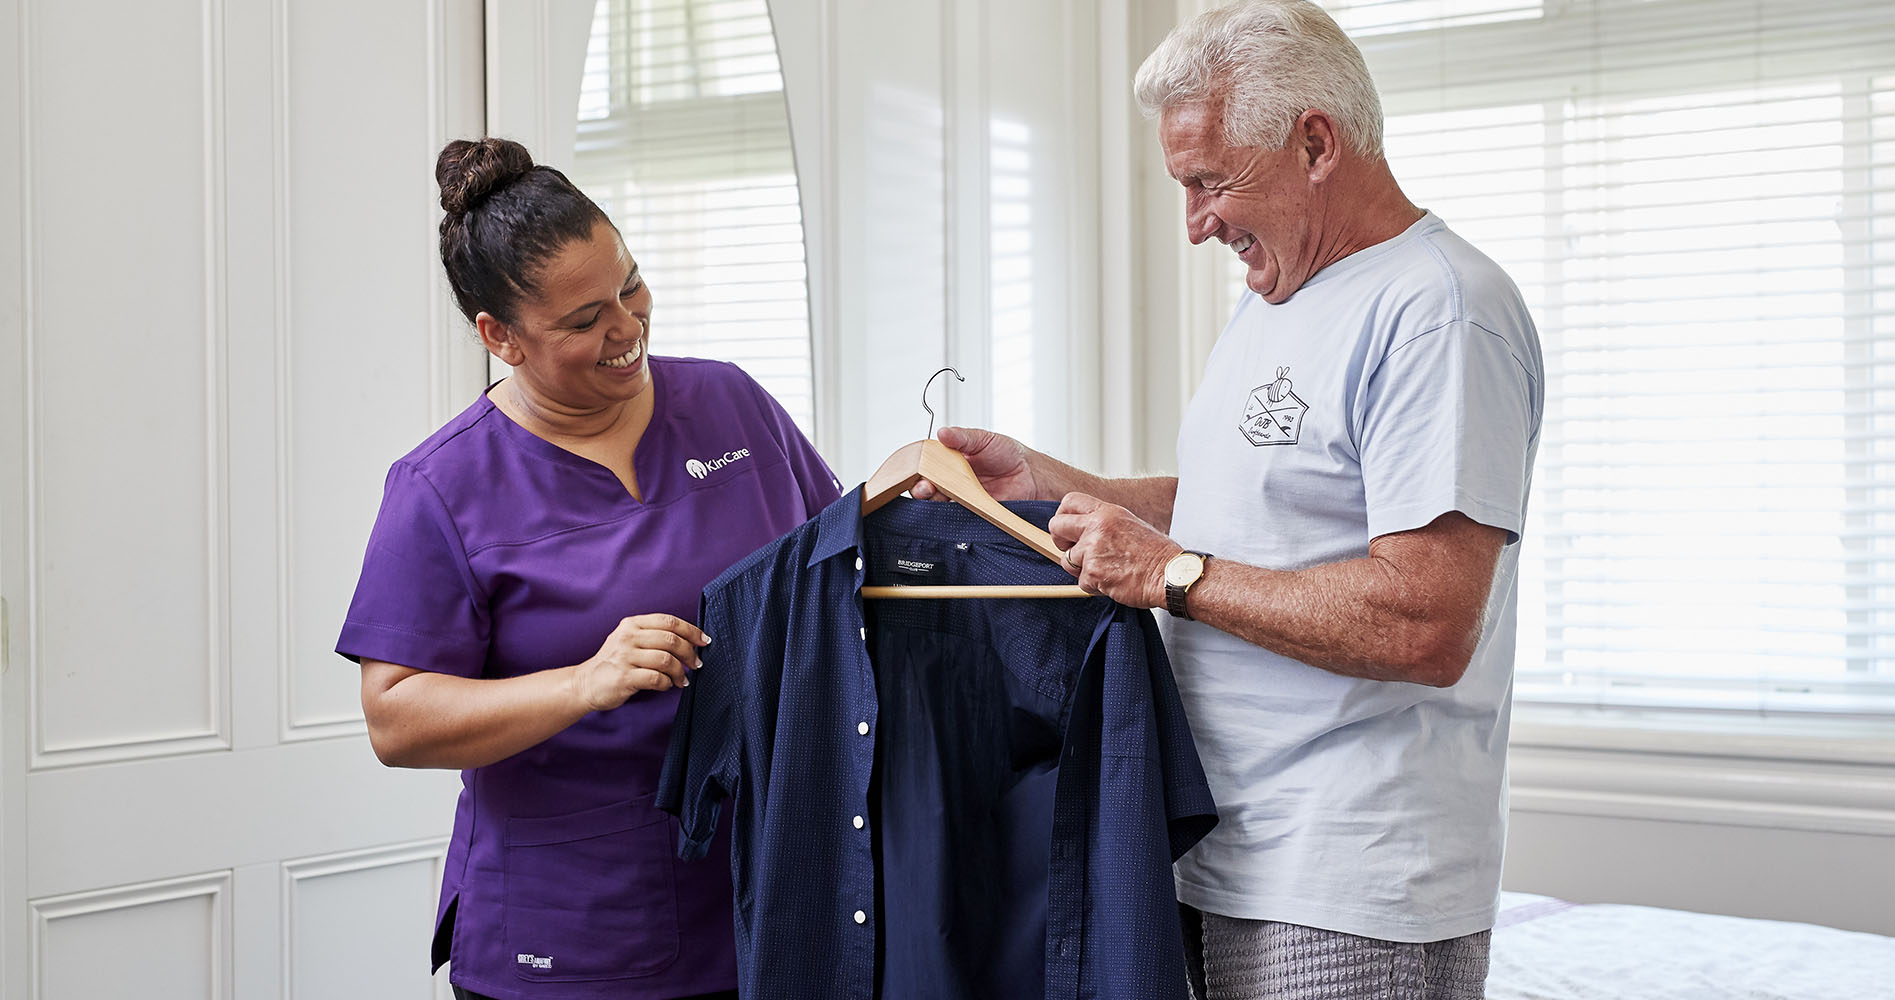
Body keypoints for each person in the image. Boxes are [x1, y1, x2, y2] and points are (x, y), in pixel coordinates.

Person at [916, 2, 1542, 996]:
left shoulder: (1438, 311)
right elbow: (1246, 506)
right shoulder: (1273, 300)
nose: (1196, 222)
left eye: (1209, 182)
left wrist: (1164, 574)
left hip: (1348, 877)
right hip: (1219, 849)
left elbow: (1426, 619)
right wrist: (1053, 484)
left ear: (1313, 142)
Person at [337, 137, 842, 1000]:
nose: (628, 328)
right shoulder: (442, 488)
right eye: (583, 321)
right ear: (500, 337)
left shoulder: (732, 403)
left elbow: (836, 575)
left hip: (769, 897)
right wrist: (585, 682)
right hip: (572, 930)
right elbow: (396, 720)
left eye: (631, 284)